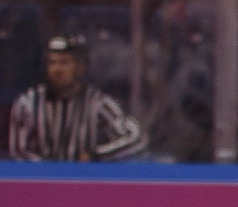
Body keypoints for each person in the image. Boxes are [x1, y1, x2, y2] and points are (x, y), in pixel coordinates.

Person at [8, 35, 144, 159]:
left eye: (64, 62)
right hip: (41, 182)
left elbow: (136, 140)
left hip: (85, 182)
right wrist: (49, 173)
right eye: (52, 62)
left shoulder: (98, 104)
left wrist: (96, 155)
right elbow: (19, 151)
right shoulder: (28, 103)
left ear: (81, 67)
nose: (57, 69)